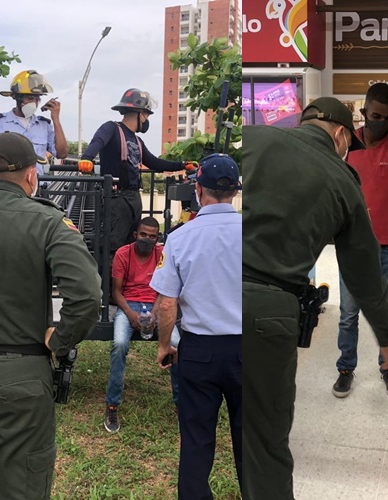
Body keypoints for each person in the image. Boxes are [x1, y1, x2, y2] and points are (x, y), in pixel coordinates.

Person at [241, 97, 388, 499]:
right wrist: (387, 338)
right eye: (350, 143)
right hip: (271, 311)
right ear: (340, 133)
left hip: (212, 300)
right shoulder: (342, 178)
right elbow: (363, 275)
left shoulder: (252, 137)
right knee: (266, 443)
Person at [0, 131, 102, 500]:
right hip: (20, 377)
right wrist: (59, 341)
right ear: (32, 175)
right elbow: (87, 296)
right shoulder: (48, 222)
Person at [150, 153, 243, 499]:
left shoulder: (180, 238)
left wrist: (164, 346)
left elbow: (168, 303)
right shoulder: (254, 235)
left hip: (199, 351)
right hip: (246, 350)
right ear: (234, 191)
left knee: (196, 439)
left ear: (198, 189)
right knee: (250, 440)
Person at [333, 83, 388, 400]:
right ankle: (345, 369)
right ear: (364, 111)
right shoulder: (347, 143)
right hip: (353, 248)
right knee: (348, 314)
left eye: (386, 116)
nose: (380, 121)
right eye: (375, 115)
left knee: (387, 314)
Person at [78, 88, 197, 256]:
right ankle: (108, 281)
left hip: (133, 198)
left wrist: (182, 165)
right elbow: (98, 141)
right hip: (116, 199)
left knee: (131, 246)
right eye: (147, 115)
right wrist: (87, 158)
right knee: (112, 247)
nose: (147, 119)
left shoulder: (137, 140)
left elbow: (154, 162)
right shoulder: (112, 129)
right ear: (140, 113)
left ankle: (127, 281)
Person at [104, 217, 180, 433]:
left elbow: (165, 290)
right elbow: (116, 292)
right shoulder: (123, 254)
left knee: (177, 344)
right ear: (136, 235)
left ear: (158, 238)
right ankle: (112, 404)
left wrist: (155, 314)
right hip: (129, 305)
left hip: (156, 304)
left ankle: (181, 404)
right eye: (143, 234)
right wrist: (131, 315)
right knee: (119, 344)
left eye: (152, 236)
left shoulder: (161, 254)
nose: (147, 239)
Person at [0, 70, 67, 175]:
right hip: (9, 186)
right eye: (30, 98)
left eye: (37, 99)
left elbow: (61, 154)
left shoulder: (44, 125)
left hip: (38, 186)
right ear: (17, 98)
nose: (34, 103)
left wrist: (56, 119)